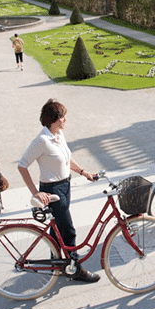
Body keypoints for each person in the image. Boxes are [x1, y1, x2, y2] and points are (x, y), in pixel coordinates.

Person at [17, 99, 100, 283]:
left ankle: (57, 264)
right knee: (68, 230)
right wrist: (35, 193)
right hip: (51, 190)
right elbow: (22, 166)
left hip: (65, 186)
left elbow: (66, 159)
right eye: (63, 117)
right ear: (54, 119)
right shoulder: (42, 140)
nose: (66, 120)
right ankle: (75, 269)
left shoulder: (58, 135)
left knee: (57, 231)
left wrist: (84, 172)